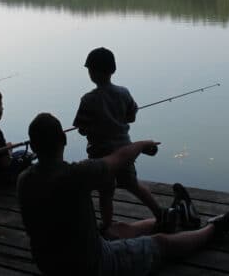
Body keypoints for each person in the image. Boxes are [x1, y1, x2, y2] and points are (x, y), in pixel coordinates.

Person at [18, 113, 229, 276]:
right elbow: (118, 159)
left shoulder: (24, 180)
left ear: (34, 146)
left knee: (115, 229)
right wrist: (143, 144)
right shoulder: (76, 175)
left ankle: (175, 216)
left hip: (50, 264)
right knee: (160, 244)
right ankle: (214, 229)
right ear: (64, 140)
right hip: (92, 266)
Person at [73, 47, 184, 234]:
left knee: (105, 191)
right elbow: (131, 117)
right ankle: (160, 213)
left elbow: (81, 128)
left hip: (101, 156)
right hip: (125, 151)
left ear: (91, 72)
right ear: (113, 70)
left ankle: (107, 225)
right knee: (133, 184)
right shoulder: (123, 93)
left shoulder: (88, 100)